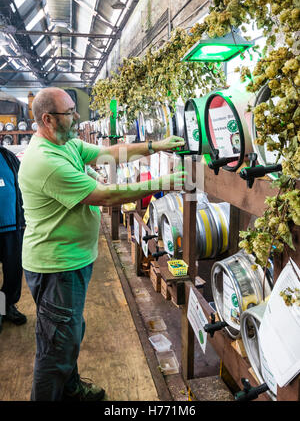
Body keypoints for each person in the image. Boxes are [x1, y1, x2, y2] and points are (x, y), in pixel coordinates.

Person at [18, 87, 186, 401]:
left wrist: (156, 145)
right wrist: (163, 183)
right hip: (57, 266)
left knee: (68, 334)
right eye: (70, 113)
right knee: (54, 351)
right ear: (48, 119)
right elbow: (107, 196)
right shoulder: (46, 161)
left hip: (71, 261)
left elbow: (112, 152)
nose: (77, 116)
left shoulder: (63, 144)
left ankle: (70, 389)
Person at [0, 145, 27, 333]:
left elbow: (23, 186)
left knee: (13, 271)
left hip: (12, 227)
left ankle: (6, 306)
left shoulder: (8, 157)